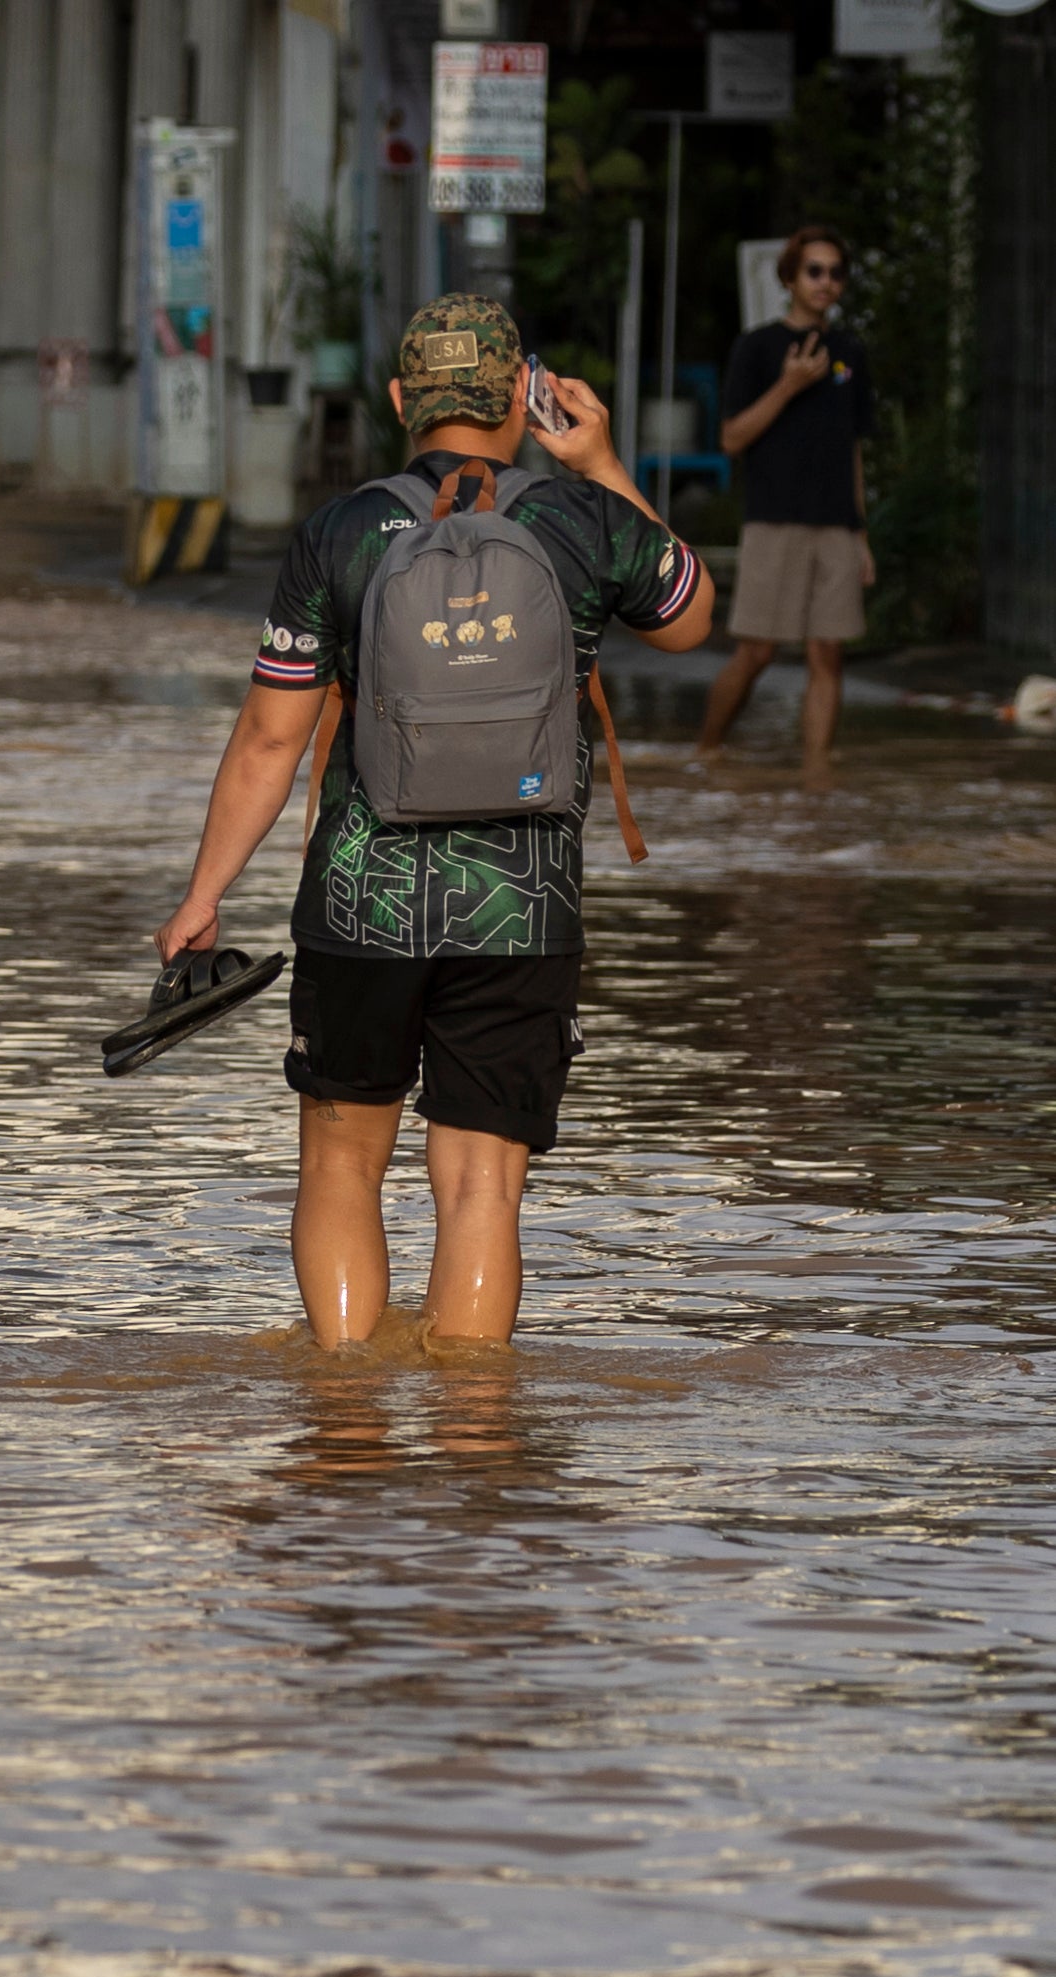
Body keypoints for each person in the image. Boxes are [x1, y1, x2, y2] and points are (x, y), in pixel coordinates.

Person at [154, 295, 715, 1349]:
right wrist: (599, 464)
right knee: (480, 1188)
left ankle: (344, 1421)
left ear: (402, 399)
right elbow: (690, 616)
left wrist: (204, 894)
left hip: (360, 900)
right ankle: (471, 1451)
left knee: (338, 1161)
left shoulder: (338, 532)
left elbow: (271, 742)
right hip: (524, 906)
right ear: (523, 398)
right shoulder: (579, 521)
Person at [695, 226, 876, 781]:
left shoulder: (850, 353)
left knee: (828, 653)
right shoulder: (758, 347)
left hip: (836, 525)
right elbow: (730, 439)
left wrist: (862, 535)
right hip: (774, 520)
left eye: (835, 273)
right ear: (791, 277)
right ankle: (706, 750)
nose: (826, 282)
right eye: (814, 271)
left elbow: (853, 451)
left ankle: (816, 775)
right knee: (758, 651)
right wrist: (790, 384)